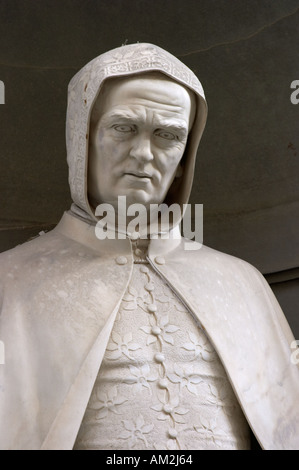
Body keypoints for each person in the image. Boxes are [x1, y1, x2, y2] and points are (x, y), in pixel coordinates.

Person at [0, 43, 298, 450]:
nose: (143, 154)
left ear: (185, 157)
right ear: (81, 138)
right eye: (124, 128)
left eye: (167, 135)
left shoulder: (243, 283)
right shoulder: (10, 281)